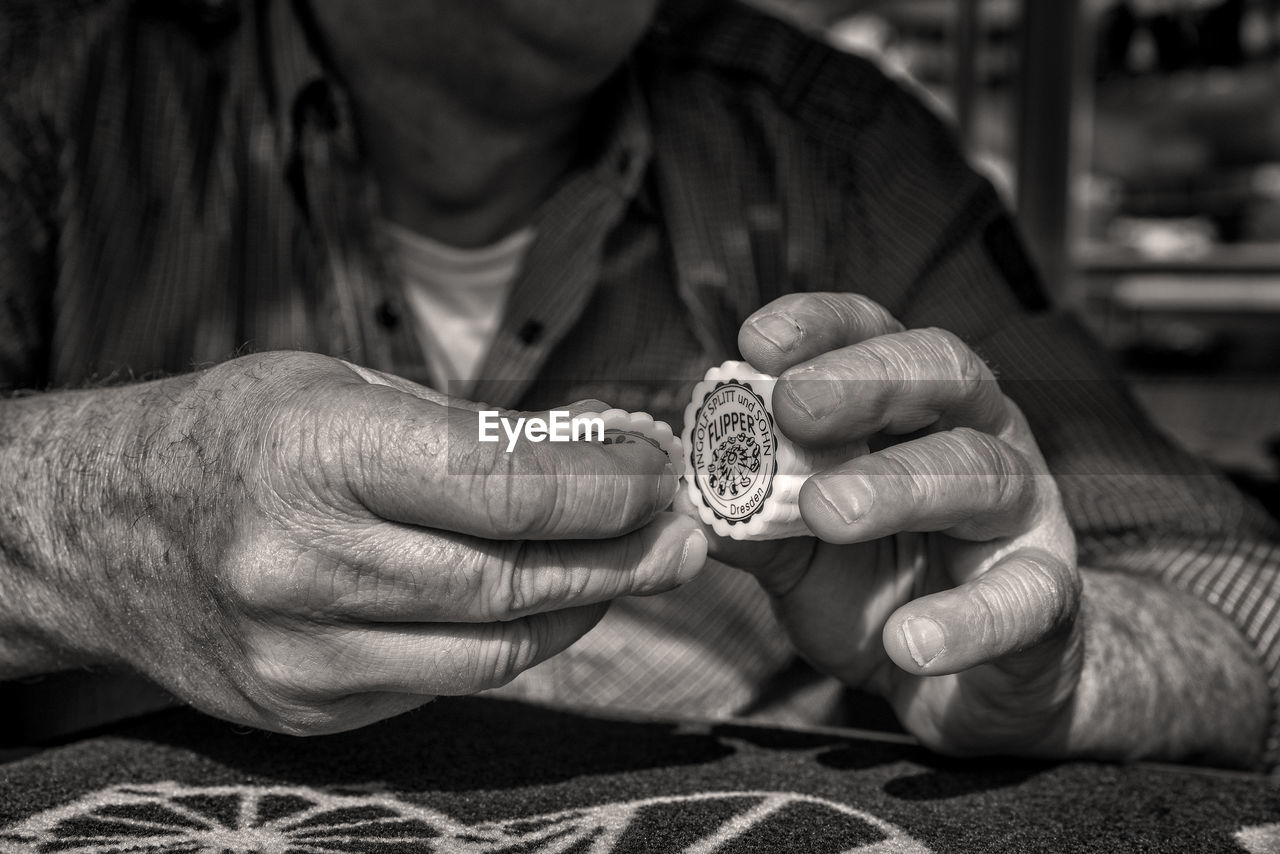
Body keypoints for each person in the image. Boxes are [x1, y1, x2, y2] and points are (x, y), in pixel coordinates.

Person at [0, 0, 1276, 767]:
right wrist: (87, 516)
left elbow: (1242, 599)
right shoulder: (53, 84)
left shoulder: (839, 150)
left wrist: (1065, 657)